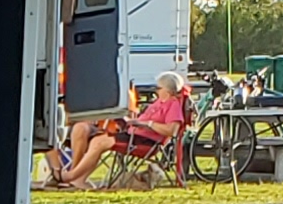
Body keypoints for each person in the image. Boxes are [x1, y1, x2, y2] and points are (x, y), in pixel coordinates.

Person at [50, 72, 194, 187]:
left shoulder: (173, 105)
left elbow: (172, 130)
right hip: (132, 133)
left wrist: (148, 124)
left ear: (168, 91)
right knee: (83, 130)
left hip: (145, 142)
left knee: (99, 142)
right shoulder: (160, 102)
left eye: (158, 88)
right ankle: (77, 178)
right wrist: (132, 121)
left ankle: (69, 176)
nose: (156, 90)